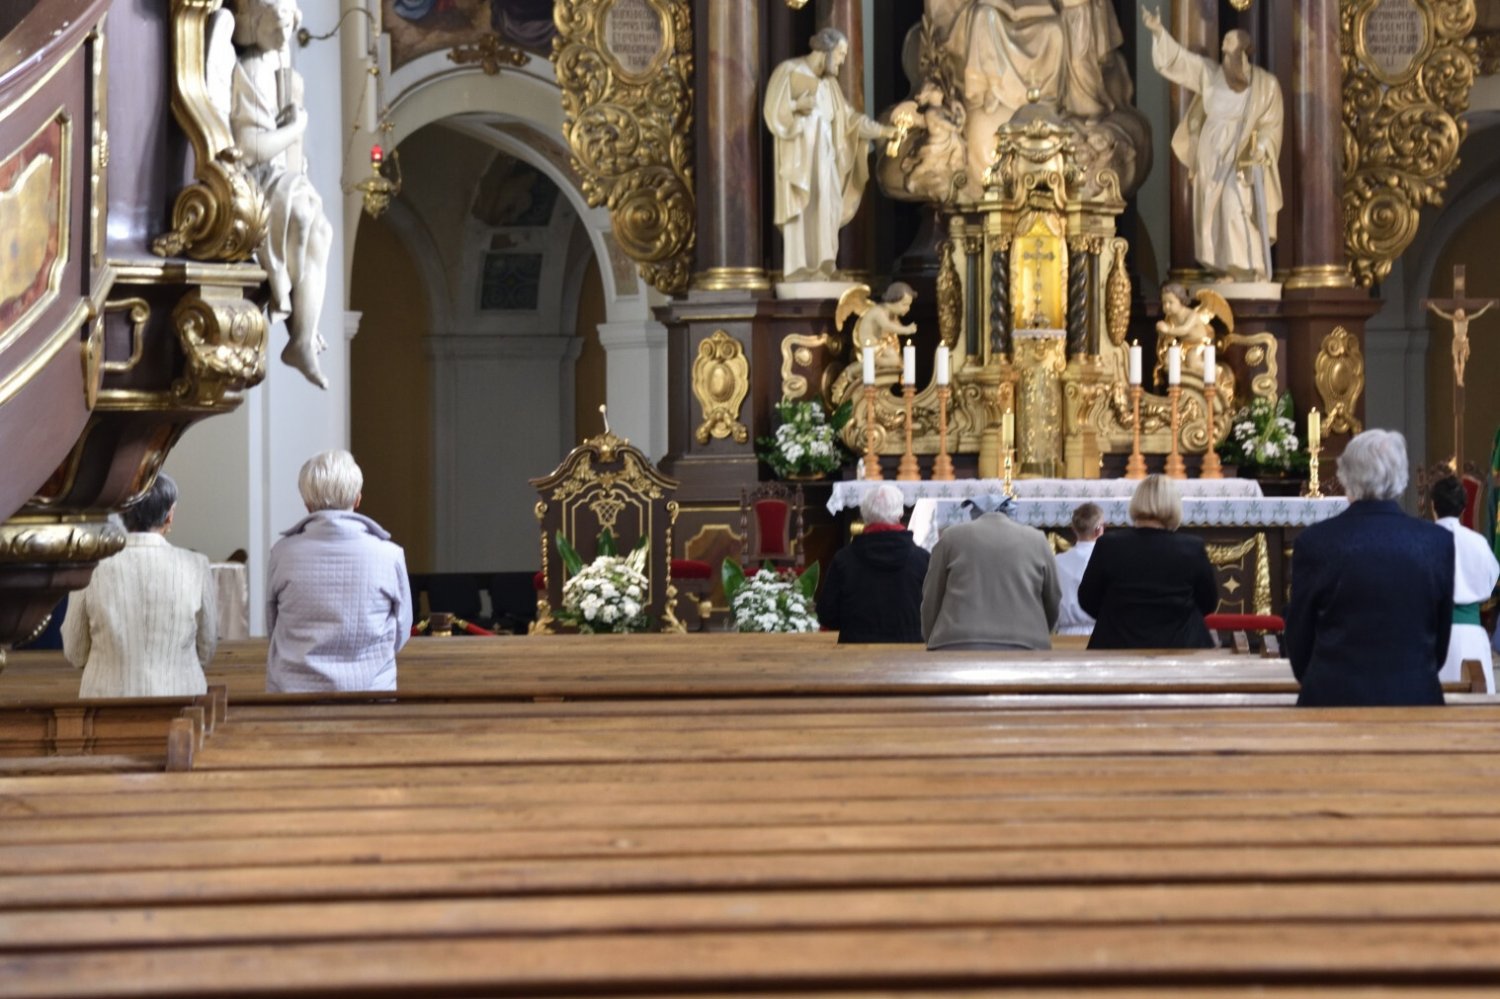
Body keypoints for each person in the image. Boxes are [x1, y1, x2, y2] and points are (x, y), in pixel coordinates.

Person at [1285, 430, 1454, 707]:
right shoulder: (1436, 542)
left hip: (1331, 699)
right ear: (1402, 478)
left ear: (1345, 477)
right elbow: (1440, 636)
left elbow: (1299, 635)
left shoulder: (1315, 542)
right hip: (1414, 698)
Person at [219, 0, 333, 388]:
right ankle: (297, 325)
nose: (285, 34)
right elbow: (249, 148)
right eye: (275, 24)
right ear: (253, 23)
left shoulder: (276, 67)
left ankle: (301, 337)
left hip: (278, 174)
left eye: (288, 24)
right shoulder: (250, 67)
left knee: (323, 231)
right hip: (254, 176)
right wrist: (296, 128)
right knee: (301, 215)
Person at [1143, 9, 1283, 283]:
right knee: (1212, 213)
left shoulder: (1266, 85)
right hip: (1211, 154)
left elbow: (1271, 123)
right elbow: (1181, 62)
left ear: (1243, 50)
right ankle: (1225, 269)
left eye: (1228, 44)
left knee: (1237, 206)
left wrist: (1262, 147)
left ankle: (1250, 268)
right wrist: (1158, 31)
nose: (1222, 48)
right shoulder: (1210, 74)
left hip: (1241, 153)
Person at [267, 450, 412, 692]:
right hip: (370, 692)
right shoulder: (390, 555)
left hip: (293, 695)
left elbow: (273, 625)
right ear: (357, 499)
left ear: (307, 503)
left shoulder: (282, 553)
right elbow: (401, 630)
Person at [61, 474, 218, 698]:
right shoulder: (196, 565)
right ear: (170, 515)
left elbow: (75, 650)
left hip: (106, 704)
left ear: (122, 512)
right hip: (181, 700)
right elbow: (207, 646)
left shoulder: (91, 566)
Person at [764, 28, 896, 281]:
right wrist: (796, 105)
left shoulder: (830, 85)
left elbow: (850, 120)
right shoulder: (789, 71)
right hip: (800, 157)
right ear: (825, 50)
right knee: (804, 207)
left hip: (825, 155)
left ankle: (825, 266)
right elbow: (773, 111)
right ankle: (799, 269)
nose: (842, 61)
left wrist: (882, 131)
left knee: (829, 204)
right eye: (839, 54)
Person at [1079, 475, 1218, 649]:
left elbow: (1087, 599)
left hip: (1117, 645)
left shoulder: (1108, 545)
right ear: (1174, 506)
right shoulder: (1191, 547)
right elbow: (1208, 602)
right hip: (1181, 646)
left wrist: (1118, 618)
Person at [922, 496, 1060, 651]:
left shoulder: (950, 537)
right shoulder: (1037, 539)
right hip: (1025, 642)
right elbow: (1053, 597)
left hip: (957, 640)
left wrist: (931, 637)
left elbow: (932, 595)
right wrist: (1039, 631)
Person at [818, 484, 929, 643]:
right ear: (900, 513)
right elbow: (936, 612)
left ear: (865, 516)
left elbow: (827, 615)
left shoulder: (843, 560)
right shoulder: (923, 560)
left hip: (856, 654)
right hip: (910, 654)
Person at [1431, 475, 1499, 692]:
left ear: (1433, 506)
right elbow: (1491, 578)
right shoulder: (1478, 543)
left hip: (1433, 636)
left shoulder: (1423, 541)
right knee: (1475, 708)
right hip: (1471, 636)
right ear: (1463, 509)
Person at [1054, 502, 1103, 637]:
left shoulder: (1058, 561)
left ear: (1073, 529)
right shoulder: (1108, 559)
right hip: (1100, 632)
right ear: (1099, 530)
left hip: (1066, 635)